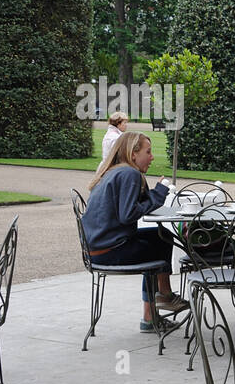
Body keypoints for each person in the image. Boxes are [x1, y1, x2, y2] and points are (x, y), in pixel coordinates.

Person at [80, 131, 188, 330]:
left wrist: (155, 193)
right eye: (148, 152)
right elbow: (128, 215)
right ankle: (160, 301)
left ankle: (157, 304)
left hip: (95, 250)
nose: (152, 157)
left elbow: (127, 209)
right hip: (109, 252)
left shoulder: (112, 172)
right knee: (160, 242)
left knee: (161, 237)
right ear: (133, 154)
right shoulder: (130, 174)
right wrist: (158, 194)